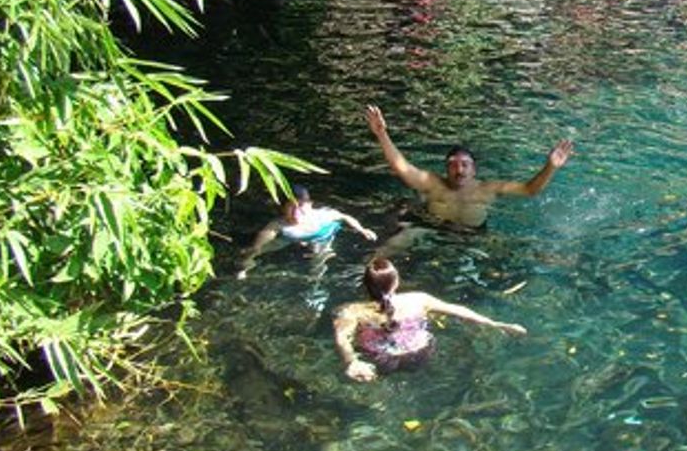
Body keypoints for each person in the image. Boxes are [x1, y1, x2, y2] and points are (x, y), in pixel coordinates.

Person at [365, 104, 573, 228]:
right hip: (433, 230)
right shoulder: (433, 182)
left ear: (474, 170)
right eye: (453, 165)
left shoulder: (489, 188)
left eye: (465, 164)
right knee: (399, 240)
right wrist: (382, 134)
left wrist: (551, 167)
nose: (459, 169)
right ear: (446, 170)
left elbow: (530, 190)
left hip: (474, 237)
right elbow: (401, 167)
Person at [334, 257, 526, 382]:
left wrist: (351, 362)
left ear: (365, 285)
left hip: (380, 359)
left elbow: (342, 338)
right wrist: (497, 324)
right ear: (397, 281)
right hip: (420, 352)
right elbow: (458, 311)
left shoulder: (352, 311)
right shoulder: (420, 299)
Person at [237, 186, 377, 278]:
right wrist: (254, 250)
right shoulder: (279, 224)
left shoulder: (323, 215)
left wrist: (362, 230)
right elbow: (261, 240)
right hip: (291, 238)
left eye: (301, 205)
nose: (296, 212)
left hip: (321, 237)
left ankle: (315, 282)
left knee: (318, 256)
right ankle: (243, 269)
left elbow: (345, 217)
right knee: (253, 251)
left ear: (310, 204)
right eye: (291, 206)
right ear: (283, 208)